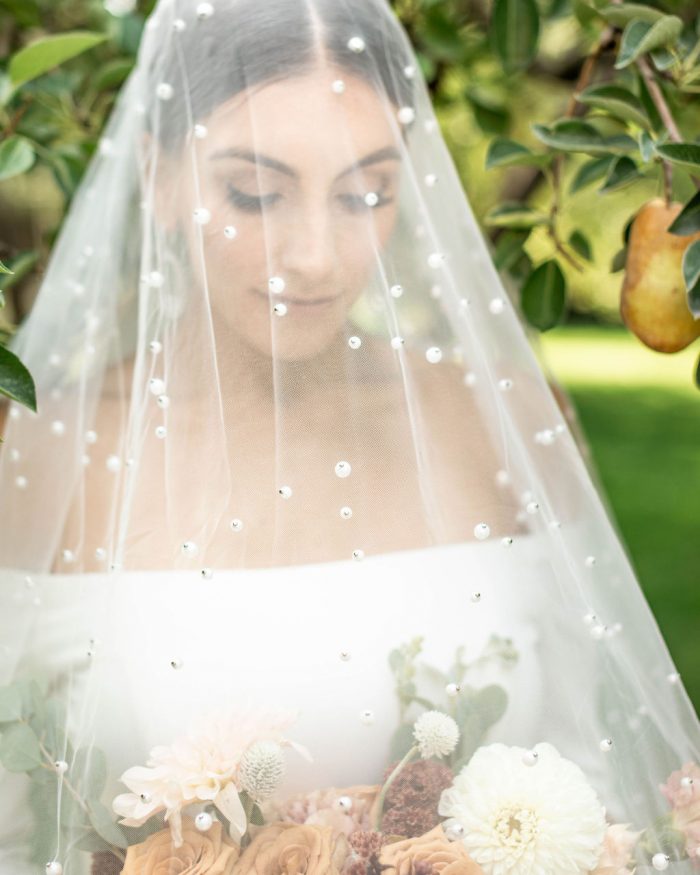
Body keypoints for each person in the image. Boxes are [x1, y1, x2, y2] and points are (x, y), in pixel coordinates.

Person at [0, 1, 698, 873]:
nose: (318, 255)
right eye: (255, 192)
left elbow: (597, 768)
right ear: (160, 175)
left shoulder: (500, 416)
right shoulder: (52, 449)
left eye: (366, 193)